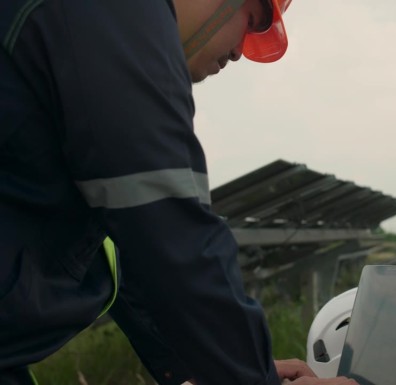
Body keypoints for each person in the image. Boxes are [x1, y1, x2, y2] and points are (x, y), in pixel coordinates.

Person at [0, 0, 358, 384]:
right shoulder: (118, 13)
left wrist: (232, 372)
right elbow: (171, 234)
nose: (240, 52)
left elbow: (131, 252)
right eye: (251, 21)